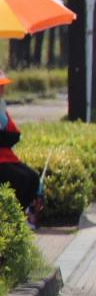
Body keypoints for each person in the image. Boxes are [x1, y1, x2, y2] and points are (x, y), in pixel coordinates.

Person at [0, 71, 43, 226]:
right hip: (1, 159)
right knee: (20, 179)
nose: (2, 90)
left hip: (6, 156)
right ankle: (13, 219)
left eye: (3, 86)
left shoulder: (1, 107)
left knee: (32, 177)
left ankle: (22, 215)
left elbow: (14, 132)